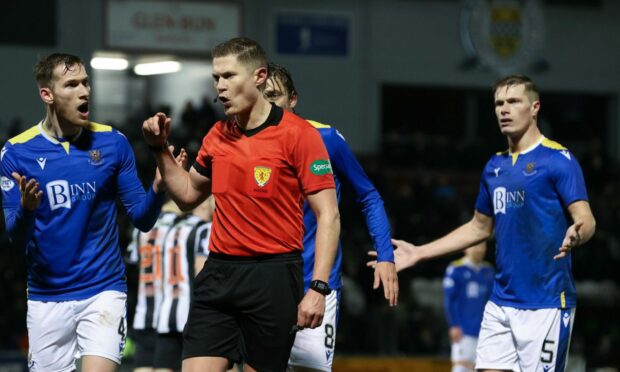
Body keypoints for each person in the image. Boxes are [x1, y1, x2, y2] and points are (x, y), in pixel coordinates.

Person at [370, 75, 596, 371]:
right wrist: (419, 252)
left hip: (547, 303)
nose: (504, 109)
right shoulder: (494, 167)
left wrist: (577, 233)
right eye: (499, 103)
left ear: (535, 107)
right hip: (501, 302)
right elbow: (479, 227)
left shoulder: (558, 159)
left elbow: (586, 219)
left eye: (514, 102)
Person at [141, 37, 340, 372]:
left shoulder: (300, 135)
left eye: (229, 76)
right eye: (216, 78)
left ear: (259, 76)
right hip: (219, 274)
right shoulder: (217, 135)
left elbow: (329, 215)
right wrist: (160, 150)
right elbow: (188, 196)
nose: (220, 86)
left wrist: (318, 288)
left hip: (274, 278)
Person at [0, 53, 171, 372]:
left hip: (103, 289)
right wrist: (27, 210)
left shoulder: (113, 143)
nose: (84, 91)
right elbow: (16, 238)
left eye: (85, 83)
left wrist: (158, 191)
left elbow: (142, 219)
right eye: (72, 84)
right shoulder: (15, 154)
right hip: (46, 296)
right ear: (47, 94)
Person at [263, 62, 398, 372]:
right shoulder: (246, 143)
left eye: (275, 96)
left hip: (316, 283)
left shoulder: (326, 139)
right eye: (262, 96)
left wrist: (386, 255)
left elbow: (369, 195)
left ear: (293, 99)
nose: (268, 105)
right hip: (264, 283)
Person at [153, 195, 214, 372]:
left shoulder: (173, 228)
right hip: (193, 315)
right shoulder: (205, 229)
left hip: (166, 313)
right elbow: (201, 274)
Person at [127, 199, 184, 372]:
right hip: (174, 314)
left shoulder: (141, 227)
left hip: (145, 311)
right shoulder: (181, 227)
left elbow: (133, 263)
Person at [443, 242, 494, 372]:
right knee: (461, 367)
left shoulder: (488, 271)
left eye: (482, 246)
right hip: (463, 331)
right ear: (466, 247)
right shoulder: (456, 269)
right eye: (475, 245)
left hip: (484, 331)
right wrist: (453, 325)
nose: (479, 249)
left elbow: (491, 302)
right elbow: (449, 299)